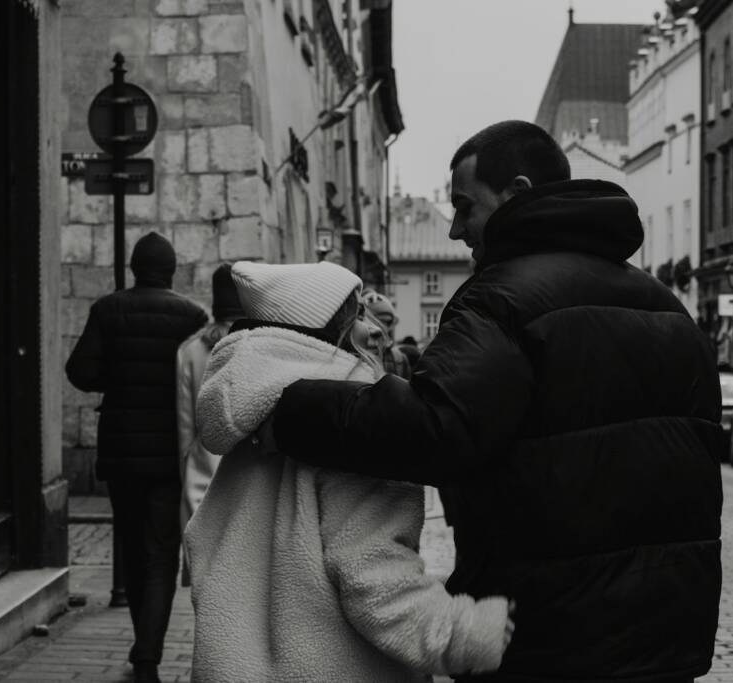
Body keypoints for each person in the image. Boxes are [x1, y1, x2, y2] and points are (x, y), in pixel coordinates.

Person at [265, 121, 724, 682]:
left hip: (550, 636)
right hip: (667, 635)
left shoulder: (502, 298)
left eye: (465, 206)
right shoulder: (668, 308)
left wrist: (287, 405)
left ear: (519, 192)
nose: (457, 229)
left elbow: (434, 427)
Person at [185, 261, 513, 682]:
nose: (375, 328)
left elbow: (204, 541)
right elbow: (376, 580)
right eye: (358, 314)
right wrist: (468, 631)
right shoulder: (349, 430)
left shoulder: (259, 419)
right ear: (326, 332)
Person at [65, 232, 208, 683]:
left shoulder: (108, 310)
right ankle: (148, 654)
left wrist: (117, 377)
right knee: (161, 553)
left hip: (123, 451)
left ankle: (142, 646)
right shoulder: (192, 316)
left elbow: (79, 371)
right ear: (170, 271)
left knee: (130, 547)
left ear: (133, 268)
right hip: (168, 454)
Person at [175, 263, 243, 584]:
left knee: (206, 586)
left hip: (201, 479)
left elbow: (184, 428)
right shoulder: (255, 346)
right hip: (247, 483)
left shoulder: (190, 351)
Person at [361, 289, 412, 378]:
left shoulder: (399, 358)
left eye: (387, 322)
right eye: (378, 321)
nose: (383, 327)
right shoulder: (354, 352)